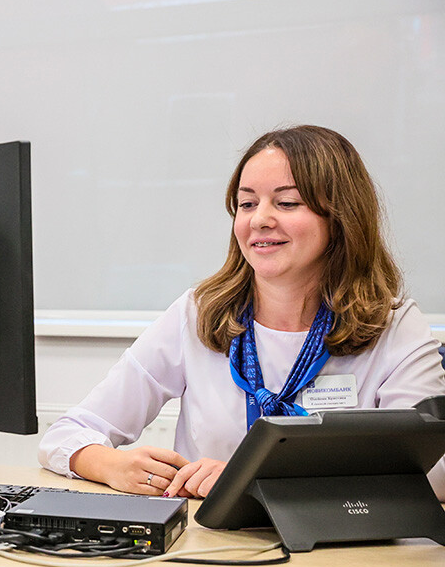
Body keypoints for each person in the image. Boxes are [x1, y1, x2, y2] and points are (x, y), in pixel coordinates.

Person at [39, 124, 445, 499]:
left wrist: (251, 478)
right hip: (216, 553)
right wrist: (110, 464)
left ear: (340, 218)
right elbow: (66, 435)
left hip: (347, 559)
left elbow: (432, 472)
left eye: (286, 203)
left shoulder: (394, 326)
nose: (260, 220)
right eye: (247, 203)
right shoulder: (198, 313)